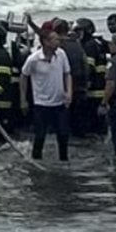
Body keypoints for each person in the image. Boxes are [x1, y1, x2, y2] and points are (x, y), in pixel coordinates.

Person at [21, 28, 73, 161]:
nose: (58, 41)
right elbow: (24, 76)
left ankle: (64, 161)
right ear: (45, 42)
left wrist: (69, 92)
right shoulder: (33, 59)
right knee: (40, 136)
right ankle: (36, 161)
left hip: (60, 102)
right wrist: (23, 100)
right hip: (41, 104)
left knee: (63, 134)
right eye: (55, 39)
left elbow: (67, 74)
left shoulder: (61, 54)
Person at [55, 19, 91, 137]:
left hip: (65, 87)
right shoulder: (77, 45)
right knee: (79, 119)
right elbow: (85, 64)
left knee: (65, 120)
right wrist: (86, 81)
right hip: (80, 86)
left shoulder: (59, 47)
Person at [75, 18, 109, 137]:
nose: (77, 35)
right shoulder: (97, 43)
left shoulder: (88, 45)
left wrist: (83, 83)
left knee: (91, 121)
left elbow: (88, 68)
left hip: (93, 90)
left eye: (79, 31)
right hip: (100, 87)